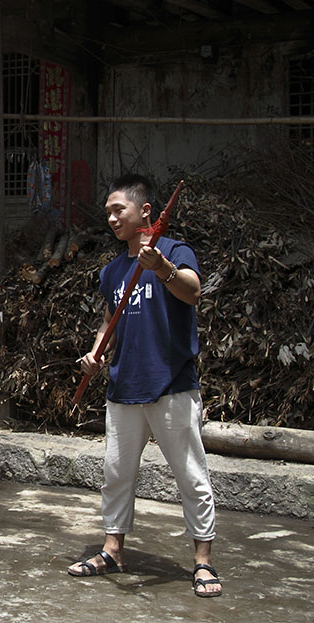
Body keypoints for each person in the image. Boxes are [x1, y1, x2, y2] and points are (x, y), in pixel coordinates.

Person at [68, 174, 221, 598]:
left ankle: (203, 561)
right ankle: (112, 550)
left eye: (119, 210)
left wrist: (162, 268)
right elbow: (109, 320)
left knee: (190, 475)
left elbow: (193, 292)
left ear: (146, 211)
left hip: (171, 383)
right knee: (116, 474)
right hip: (124, 385)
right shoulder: (114, 270)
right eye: (108, 212)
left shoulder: (175, 250)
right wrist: (95, 353)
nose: (112, 218)